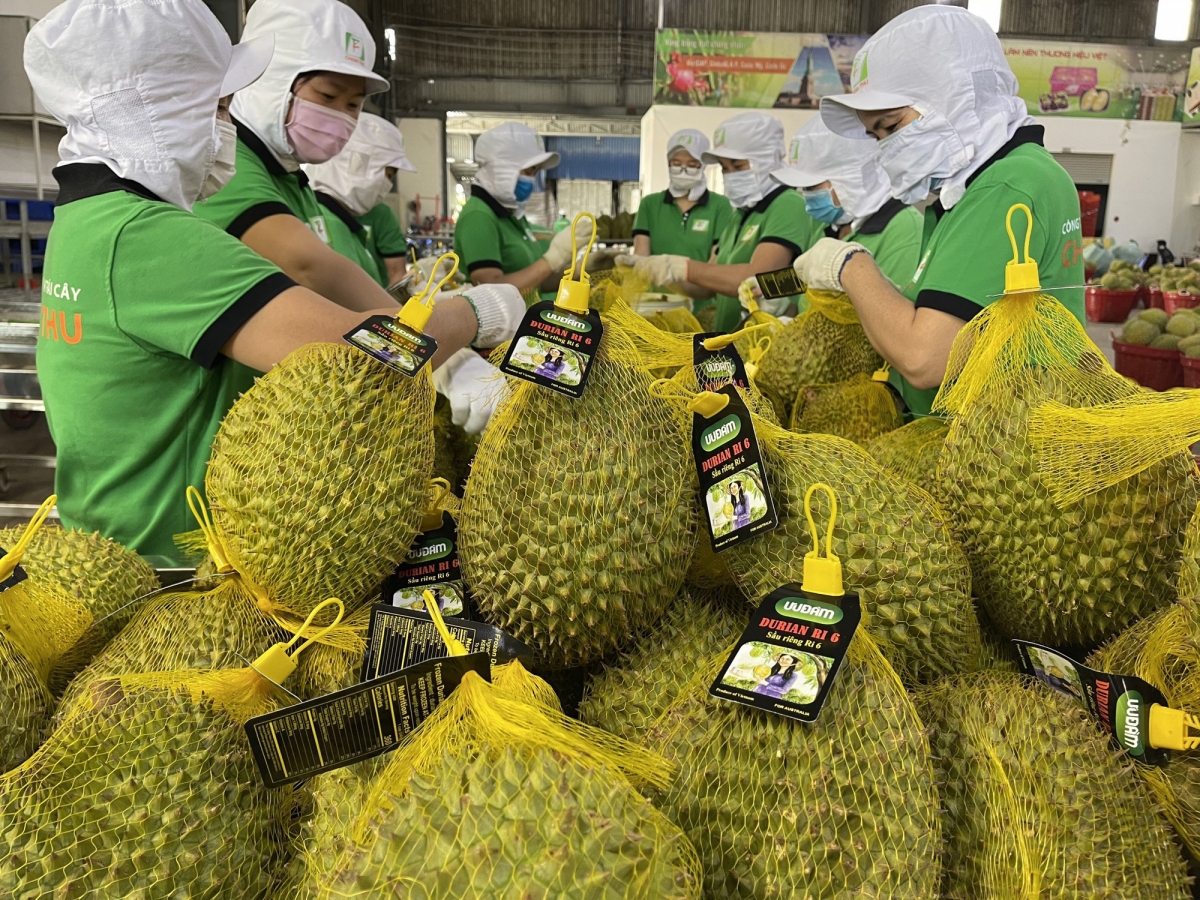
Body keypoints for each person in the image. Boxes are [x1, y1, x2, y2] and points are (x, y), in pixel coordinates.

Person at [24, 0, 507, 562]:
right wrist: (480, 312)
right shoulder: (148, 238)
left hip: (115, 541)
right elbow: (365, 358)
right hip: (172, 567)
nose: (227, 126)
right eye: (219, 106)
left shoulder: (86, 220)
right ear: (162, 108)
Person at [196, 0, 511, 435]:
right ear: (269, 81)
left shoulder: (291, 181)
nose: (342, 117)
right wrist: (448, 333)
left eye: (354, 105)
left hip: (293, 420)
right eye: (327, 96)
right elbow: (309, 267)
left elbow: (338, 291)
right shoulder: (230, 167)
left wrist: (426, 340)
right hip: (232, 431)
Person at [794, 5, 1084, 419]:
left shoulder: (1007, 186)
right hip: (977, 445)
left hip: (998, 453)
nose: (884, 149)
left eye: (891, 127)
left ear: (954, 99)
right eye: (875, 135)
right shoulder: (966, 192)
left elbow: (924, 358)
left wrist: (850, 266)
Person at [619, 112, 825, 332]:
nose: (730, 175)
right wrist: (661, 270)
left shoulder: (788, 205)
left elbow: (758, 277)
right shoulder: (741, 215)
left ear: (767, 161)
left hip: (766, 346)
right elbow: (708, 286)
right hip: (731, 343)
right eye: (724, 168)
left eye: (738, 166)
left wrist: (682, 267)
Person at [770, 116, 921, 289]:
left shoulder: (904, 231)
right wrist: (770, 289)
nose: (807, 198)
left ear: (850, 180)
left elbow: (888, 310)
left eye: (811, 188)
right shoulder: (832, 222)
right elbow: (809, 278)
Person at [454, 122, 591, 298]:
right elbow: (489, 292)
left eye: (535, 173)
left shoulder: (512, 215)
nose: (531, 181)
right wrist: (551, 259)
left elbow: (536, 283)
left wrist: (581, 268)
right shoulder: (478, 216)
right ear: (502, 168)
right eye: (528, 171)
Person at [306, 112, 415, 287]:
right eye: (385, 174)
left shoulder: (346, 226)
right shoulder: (331, 224)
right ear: (358, 165)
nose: (385, 187)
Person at [631, 129, 733, 264]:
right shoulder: (650, 204)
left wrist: (686, 278)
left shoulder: (720, 205)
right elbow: (641, 255)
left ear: (703, 165)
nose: (683, 170)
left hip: (703, 285)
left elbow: (717, 261)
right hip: (656, 284)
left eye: (692, 165)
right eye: (676, 164)